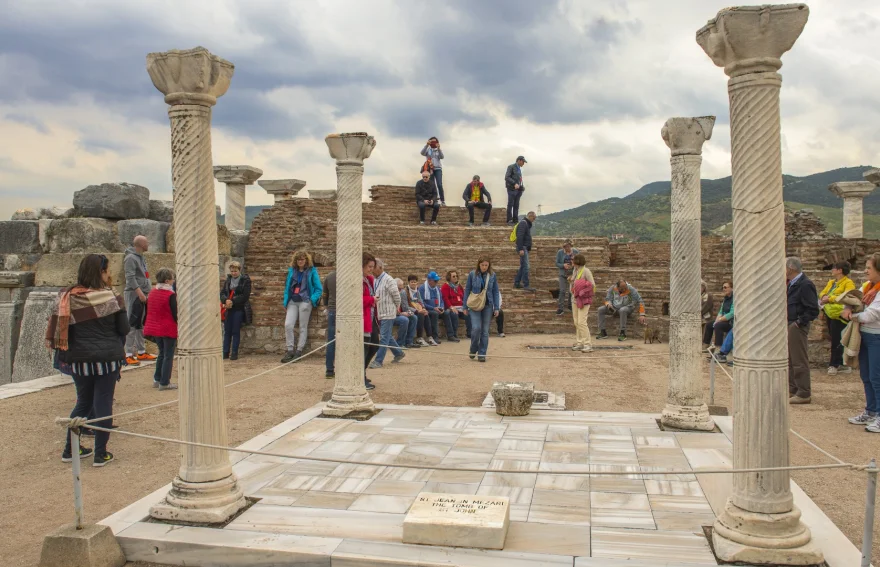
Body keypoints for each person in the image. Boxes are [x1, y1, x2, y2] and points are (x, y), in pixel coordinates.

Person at [47, 254, 129, 467]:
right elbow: (124, 329)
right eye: (107, 270)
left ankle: (70, 449)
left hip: (79, 359)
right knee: (103, 403)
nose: (109, 274)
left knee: (83, 402)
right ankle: (101, 453)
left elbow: (61, 329)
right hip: (107, 359)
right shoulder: (111, 297)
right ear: (100, 272)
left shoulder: (67, 298)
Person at [844, 254, 880, 431]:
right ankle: (871, 411)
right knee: (866, 376)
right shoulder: (867, 287)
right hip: (865, 336)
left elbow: (871, 315)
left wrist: (853, 316)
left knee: (876, 377)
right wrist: (847, 306)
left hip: (877, 338)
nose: (865, 271)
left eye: (869, 268)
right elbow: (853, 297)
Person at [786, 257, 819, 405]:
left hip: (797, 326)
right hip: (790, 324)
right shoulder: (792, 284)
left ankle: (804, 392)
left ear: (790, 268)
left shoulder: (805, 284)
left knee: (799, 359)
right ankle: (793, 389)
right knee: (791, 359)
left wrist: (799, 323)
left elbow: (813, 309)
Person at [282, 251, 323, 363]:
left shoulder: (312, 271)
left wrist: (311, 299)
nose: (300, 261)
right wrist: (285, 302)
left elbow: (319, 288)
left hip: (305, 301)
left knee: (303, 327)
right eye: (298, 259)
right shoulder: (292, 271)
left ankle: (299, 351)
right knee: (288, 325)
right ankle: (290, 350)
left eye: (302, 259)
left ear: (306, 260)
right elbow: (287, 287)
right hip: (292, 301)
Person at [143, 268, 178, 390]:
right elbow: (175, 313)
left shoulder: (152, 292)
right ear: (167, 280)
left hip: (155, 327)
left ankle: (157, 379)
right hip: (167, 328)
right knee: (168, 355)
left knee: (162, 353)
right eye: (172, 278)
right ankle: (164, 382)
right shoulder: (170, 295)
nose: (173, 281)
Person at [123, 235, 155, 366]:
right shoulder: (130, 258)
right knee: (132, 323)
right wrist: (139, 292)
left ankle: (141, 351)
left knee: (140, 324)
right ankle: (128, 354)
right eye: (146, 242)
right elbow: (130, 277)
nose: (148, 244)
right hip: (134, 294)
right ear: (141, 244)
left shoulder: (141, 257)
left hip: (144, 293)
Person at [819, 261, 856, 375]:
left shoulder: (848, 283)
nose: (832, 270)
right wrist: (824, 297)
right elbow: (822, 293)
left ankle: (833, 365)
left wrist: (829, 298)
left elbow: (848, 296)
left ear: (840, 270)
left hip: (840, 315)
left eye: (834, 268)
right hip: (829, 313)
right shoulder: (831, 282)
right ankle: (841, 364)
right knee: (834, 338)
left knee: (837, 340)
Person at [463, 256, 501, 362]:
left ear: (489, 265)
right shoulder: (472, 274)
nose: (484, 267)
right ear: (479, 265)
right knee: (476, 328)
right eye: (482, 265)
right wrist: (464, 306)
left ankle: (482, 353)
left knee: (485, 331)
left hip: (488, 305)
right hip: (475, 305)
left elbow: (495, 291)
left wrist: (496, 307)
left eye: (486, 265)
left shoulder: (492, 275)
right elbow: (467, 290)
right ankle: (473, 348)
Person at [370, 259, 406, 369]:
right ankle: (399, 353)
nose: (372, 269)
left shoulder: (389, 280)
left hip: (388, 312)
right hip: (380, 312)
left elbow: (397, 296)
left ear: (380, 267)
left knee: (384, 337)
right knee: (387, 336)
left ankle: (378, 361)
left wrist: (396, 308)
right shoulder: (375, 280)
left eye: (374, 267)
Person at [220, 261, 251, 361]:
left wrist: (232, 301)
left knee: (235, 331)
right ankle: (225, 352)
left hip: (239, 308)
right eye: (232, 271)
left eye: (235, 271)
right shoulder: (228, 280)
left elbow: (245, 296)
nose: (233, 273)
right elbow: (223, 293)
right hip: (229, 309)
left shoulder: (245, 280)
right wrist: (226, 300)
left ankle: (234, 353)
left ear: (239, 270)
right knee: (227, 331)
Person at [569, 254, 595, 352]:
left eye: (573, 260)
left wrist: (583, 291)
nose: (571, 261)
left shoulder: (586, 271)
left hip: (584, 300)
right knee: (576, 322)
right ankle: (580, 342)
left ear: (577, 261)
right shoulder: (575, 271)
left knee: (582, 322)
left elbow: (592, 285)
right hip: (574, 299)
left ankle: (588, 344)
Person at [362, 253, 379, 390]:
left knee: (374, 345)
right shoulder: (358, 280)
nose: (371, 269)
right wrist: (371, 299)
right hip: (363, 318)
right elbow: (355, 299)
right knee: (365, 348)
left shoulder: (369, 279)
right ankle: (360, 377)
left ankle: (362, 372)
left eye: (372, 267)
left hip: (371, 316)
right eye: (369, 266)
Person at [441, 270, 471, 342]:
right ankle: (453, 335)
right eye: (453, 276)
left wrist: (465, 306)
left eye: (456, 276)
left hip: (461, 307)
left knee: (469, 314)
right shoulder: (445, 286)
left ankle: (470, 333)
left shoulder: (459, 286)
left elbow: (464, 297)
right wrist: (451, 307)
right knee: (454, 314)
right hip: (452, 307)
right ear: (449, 278)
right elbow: (445, 298)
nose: (455, 277)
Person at [702, 281, 733, 349]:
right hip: (724, 320)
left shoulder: (734, 298)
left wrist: (720, 320)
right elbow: (721, 312)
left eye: (725, 287)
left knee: (718, 325)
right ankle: (706, 344)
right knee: (709, 324)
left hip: (731, 322)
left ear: (731, 288)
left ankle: (718, 347)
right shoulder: (725, 298)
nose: (724, 289)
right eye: (723, 288)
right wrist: (716, 321)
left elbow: (732, 313)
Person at [556, 239, 580, 315]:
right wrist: (563, 265)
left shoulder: (576, 252)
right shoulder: (560, 252)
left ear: (571, 246)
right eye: (565, 247)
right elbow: (557, 263)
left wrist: (574, 264)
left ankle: (570, 305)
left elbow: (579, 262)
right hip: (563, 274)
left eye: (568, 246)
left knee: (571, 291)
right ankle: (560, 308)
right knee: (562, 290)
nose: (567, 248)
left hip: (572, 274)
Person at [514, 211, 537, 292]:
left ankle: (517, 283)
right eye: (533, 218)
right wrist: (521, 249)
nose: (534, 220)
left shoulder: (526, 224)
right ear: (530, 216)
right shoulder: (524, 223)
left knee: (523, 266)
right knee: (526, 267)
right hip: (523, 247)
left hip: (524, 247)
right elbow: (519, 236)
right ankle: (526, 285)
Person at [420, 271, 444, 345]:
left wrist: (442, 307)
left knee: (447, 313)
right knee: (434, 314)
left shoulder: (437, 288)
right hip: (428, 309)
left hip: (437, 308)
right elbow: (422, 302)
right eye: (435, 281)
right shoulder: (422, 288)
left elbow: (441, 300)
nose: (437, 282)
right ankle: (434, 336)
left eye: (437, 281)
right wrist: (433, 308)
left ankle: (451, 335)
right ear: (429, 281)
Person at [406, 275, 430, 347]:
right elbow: (405, 307)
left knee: (426, 314)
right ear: (409, 283)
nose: (413, 283)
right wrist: (417, 311)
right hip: (410, 310)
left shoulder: (417, 291)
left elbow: (420, 301)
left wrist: (423, 308)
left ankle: (429, 336)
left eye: (415, 282)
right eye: (412, 282)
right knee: (420, 315)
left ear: (417, 283)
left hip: (418, 309)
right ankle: (419, 337)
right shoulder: (405, 292)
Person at [421, 137, 445, 205]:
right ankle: (435, 199)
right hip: (430, 169)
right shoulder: (428, 149)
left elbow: (442, 157)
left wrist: (439, 148)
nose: (433, 143)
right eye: (432, 141)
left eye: (435, 142)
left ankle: (442, 200)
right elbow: (422, 153)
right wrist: (427, 145)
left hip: (438, 169)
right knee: (432, 185)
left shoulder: (438, 150)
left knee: (439, 184)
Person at [396, 278, 420, 349]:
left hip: (400, 313)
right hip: (392, 316)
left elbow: (403, 308)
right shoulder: (394, 294)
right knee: (404, 320)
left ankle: (409, 342)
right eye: (399, 288)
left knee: (414, 317)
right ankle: (400, 343)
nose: (401, 290)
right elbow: (393, 310)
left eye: (402, 288)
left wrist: (411, 312)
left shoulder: (401, 293)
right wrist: (401, 313)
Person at [322, 270, 337, 378]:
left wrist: (327, 306)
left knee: (331, 340)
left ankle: (329, 370)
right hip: (345, 311)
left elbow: (325, 295)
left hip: (332, 310)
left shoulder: (330, 276)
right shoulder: (351, 275)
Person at [505, 156, 527, 225]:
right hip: (511, 189)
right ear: (519, 160)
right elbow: (507, 177)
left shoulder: (519, 169)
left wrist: (521, 187)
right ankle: (509, 220)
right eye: (523, 162)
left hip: (518, 190)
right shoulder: (511, 167)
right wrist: (514, 183)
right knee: (510, 204)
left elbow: (518, 179)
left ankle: (515, 220)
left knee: (516, 205)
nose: (523, 163)